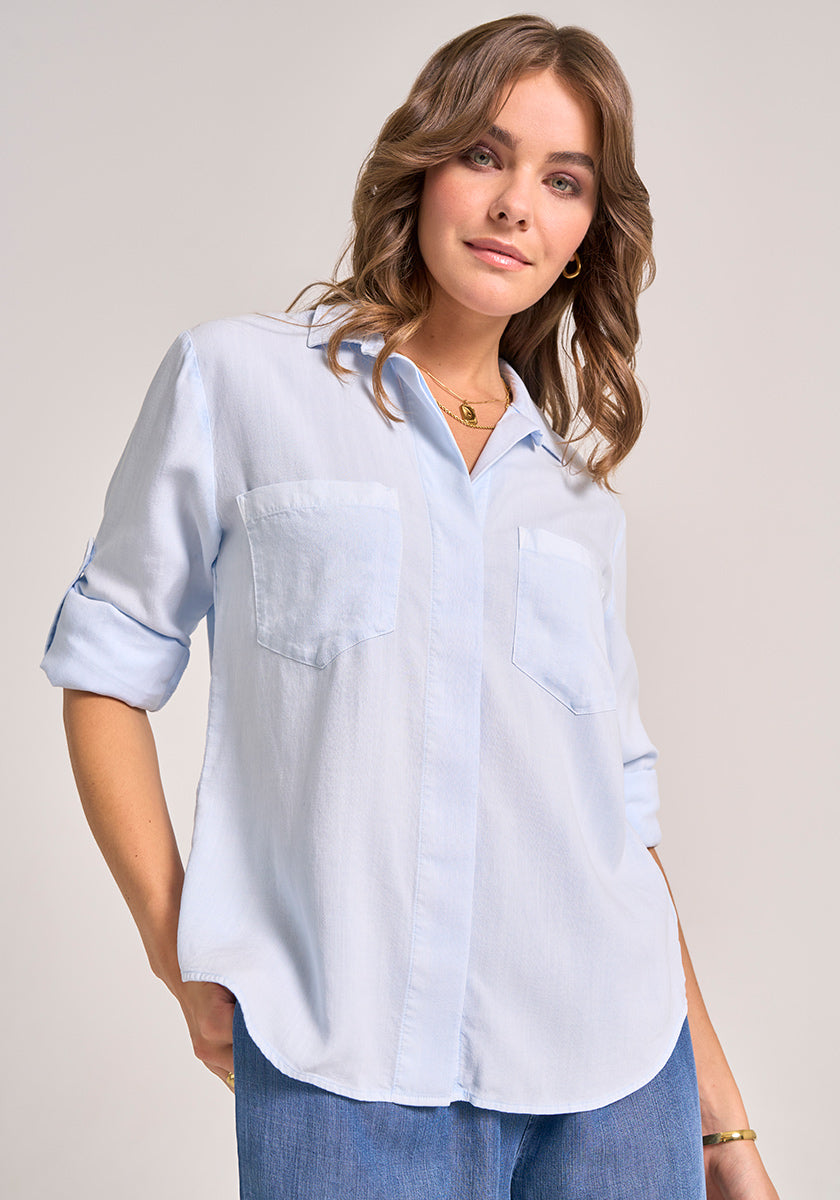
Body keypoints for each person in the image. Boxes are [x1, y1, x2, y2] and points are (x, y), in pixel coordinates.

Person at [41, 15, 780, 1200]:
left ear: (589, 233)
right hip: (341, 1067)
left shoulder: (575, 502)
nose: (514, 206)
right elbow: (104, 668)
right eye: (485, 155)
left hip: (614, 1085)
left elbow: (618, 822)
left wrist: (725, 1132)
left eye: (563, 179)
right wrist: (175, 944)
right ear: (422, 166)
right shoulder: (237, 384)